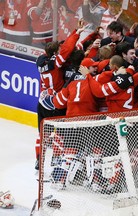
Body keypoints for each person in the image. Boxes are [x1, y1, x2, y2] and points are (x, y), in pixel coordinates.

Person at [34, 21, 86, 170]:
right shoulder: (56, 63)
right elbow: (67, 48)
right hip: (56, 103)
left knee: (42, 133)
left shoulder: (41, 61)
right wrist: (77, 33)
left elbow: (59, 50)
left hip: (42, 101)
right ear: (55, 53)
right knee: (60, 133)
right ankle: (56, 159)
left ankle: (39, 160)